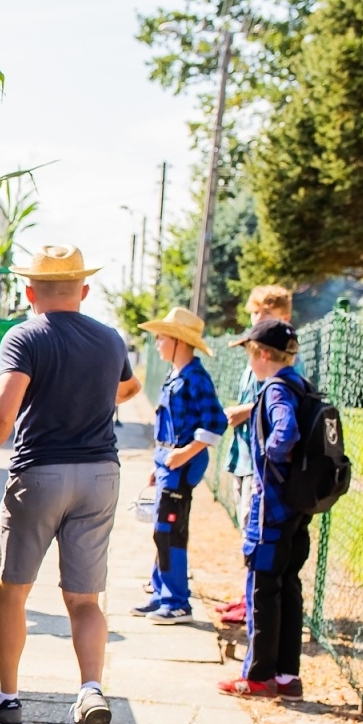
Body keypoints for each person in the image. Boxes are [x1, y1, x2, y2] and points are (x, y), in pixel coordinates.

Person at [0, 246, 141, 724]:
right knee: (85, 599)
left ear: (28, 291)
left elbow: (2, 411)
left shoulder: (25, 336)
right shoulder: (109, 339)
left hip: (41, 473)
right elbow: (130, 389)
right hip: (101, 475)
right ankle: (89, 690)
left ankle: (8, 699)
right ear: (84, 291)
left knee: (14, 589)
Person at [218, 318, 310, 701]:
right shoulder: (300, 385)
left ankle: (256, 677)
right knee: (289, 588)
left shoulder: (273, 390)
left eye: (250, 353)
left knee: (262, 590)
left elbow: (285, 433)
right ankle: (288, 677)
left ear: (262, 354)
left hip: (270, 507)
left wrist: (268, 470)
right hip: (297, 506)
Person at [133, 307, 228, 625]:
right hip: (167, 462)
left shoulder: (195, 378)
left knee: (171, 531)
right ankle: (161, 594)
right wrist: (158, 461)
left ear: (179, 341)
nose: (158, 343)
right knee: (162, 531)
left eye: (162, 337)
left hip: (180, 464)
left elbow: (216, 421)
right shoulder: (176, 374)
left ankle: (177, 602)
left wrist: (186, 453)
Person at [217, 285, 294, 624]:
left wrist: (245, 411)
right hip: (244, 454)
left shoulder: (280, 355)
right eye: (254, 313)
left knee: (256, 531)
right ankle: (246, 595)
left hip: (262, 464)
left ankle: (254, 601)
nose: (257, 319)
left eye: (265, 313)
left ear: (283, 318)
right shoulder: (254, 356)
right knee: (246, 528)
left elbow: (280, 402)